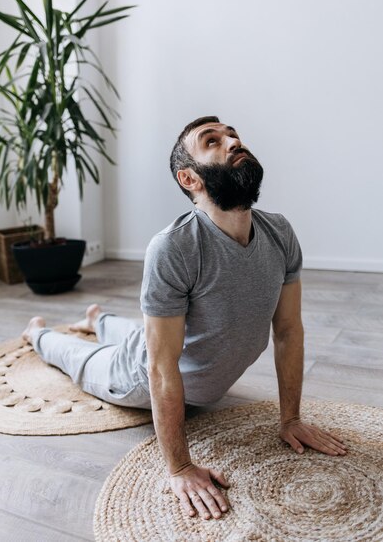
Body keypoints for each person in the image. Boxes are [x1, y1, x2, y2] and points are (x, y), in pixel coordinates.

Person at [23, 116, 347, 522]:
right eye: (213, 141)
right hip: (137, 376)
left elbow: (287, 331)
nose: (232, 141)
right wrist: (178, 468)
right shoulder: (174, 248)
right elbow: (159, 366)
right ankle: (38, 333)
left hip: (187, 370)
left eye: (234, 135)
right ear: (190, 179)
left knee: (148, 332)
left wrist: (291, 418)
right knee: (82, 360)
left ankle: (99, 317)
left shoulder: (279, 232)